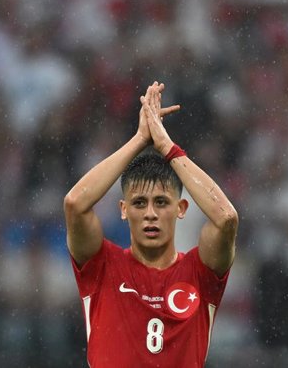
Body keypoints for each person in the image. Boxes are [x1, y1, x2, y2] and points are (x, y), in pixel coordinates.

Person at [63, 81, 238, 367]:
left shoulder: (199, 272)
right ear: (123, 210)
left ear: (181, 208)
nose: (150, 214)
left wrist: (166, 146)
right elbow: (74, 204)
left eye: (161, 202)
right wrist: (139, 140)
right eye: (139, 203)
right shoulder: (102, 266)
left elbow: (226, 217)